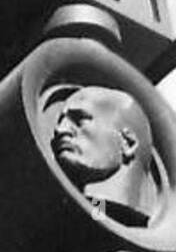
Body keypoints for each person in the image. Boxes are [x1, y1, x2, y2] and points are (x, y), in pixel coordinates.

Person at [49, 84, 155, 225]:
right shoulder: (97, 210)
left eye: (79, 119)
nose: (60, 129)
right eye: (61, 121)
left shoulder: (102, 210)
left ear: (127, 143)